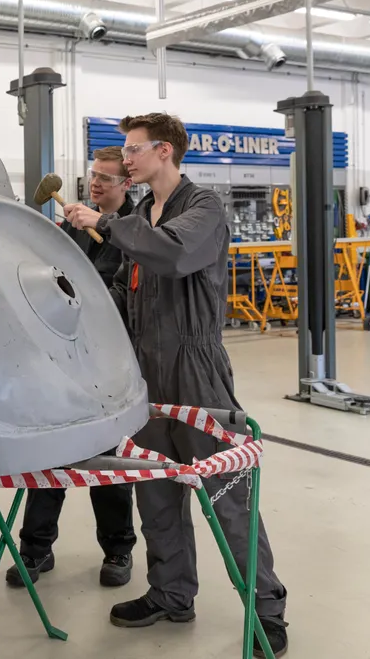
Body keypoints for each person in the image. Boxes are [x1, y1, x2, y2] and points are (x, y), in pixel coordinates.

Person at [64, 113, 289, 658]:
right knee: (156, 488)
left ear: (164, 152)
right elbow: (126, 289)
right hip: (145, 372)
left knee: (228, 494)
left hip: (195, 369)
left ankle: (267, 611)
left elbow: (172, 254)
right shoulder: (142, 212)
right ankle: (170, 593)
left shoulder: (203, 208)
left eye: (133, 149)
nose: (126, 157)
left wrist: (103, 221)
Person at [6, 146, 138, 589]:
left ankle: (119, 549)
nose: (96, 184)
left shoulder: (136, 230)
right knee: (52, 451)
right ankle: (36, 549)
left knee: (110, 457)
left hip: (111, 356)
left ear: (128, 184)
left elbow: (118, 292)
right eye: (92, 176)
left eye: (106, 178)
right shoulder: (72, 225)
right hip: (64, 356)